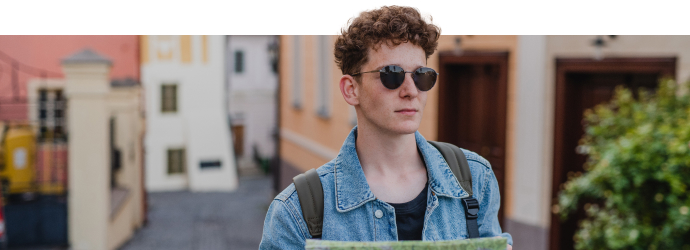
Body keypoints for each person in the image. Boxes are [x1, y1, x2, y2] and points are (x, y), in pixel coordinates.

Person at [259, 6, 512, 250]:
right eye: (392, 74)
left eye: (421, 75)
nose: (411, 91)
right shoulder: (297, 212)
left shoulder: (475, 179)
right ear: (351, 89)